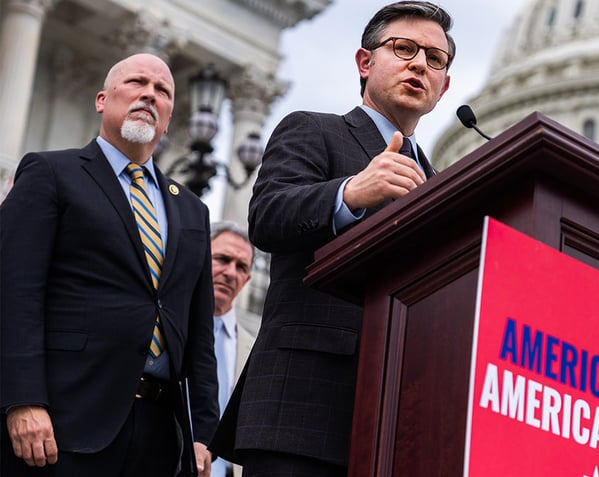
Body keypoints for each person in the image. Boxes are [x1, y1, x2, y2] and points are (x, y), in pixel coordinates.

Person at [209, 1, 454, 475]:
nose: (419, 63)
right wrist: (349, 193)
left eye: (435, 59)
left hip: (401, 425)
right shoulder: (314, 131)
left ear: (444, 88)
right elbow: (266, 217)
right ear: (365, 63)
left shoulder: (442, 184)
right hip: (304, 412)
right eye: (404, 48)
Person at [0, 53, 218, 477]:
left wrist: (202, 431)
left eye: (163, 91)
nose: (149, 95)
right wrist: (21, 399)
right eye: (137, 82)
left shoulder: (192, 210)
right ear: (102, 100)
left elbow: (198, 330)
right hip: (62, 423)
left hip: (157, 435)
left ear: (170, 117)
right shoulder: (51, 173)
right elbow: (12, 293)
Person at [208, 221, 257, 477]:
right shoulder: (165, 331)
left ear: (247, 279)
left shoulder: (255, 350)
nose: (230, 273)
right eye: (222, 259)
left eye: (241, 267)